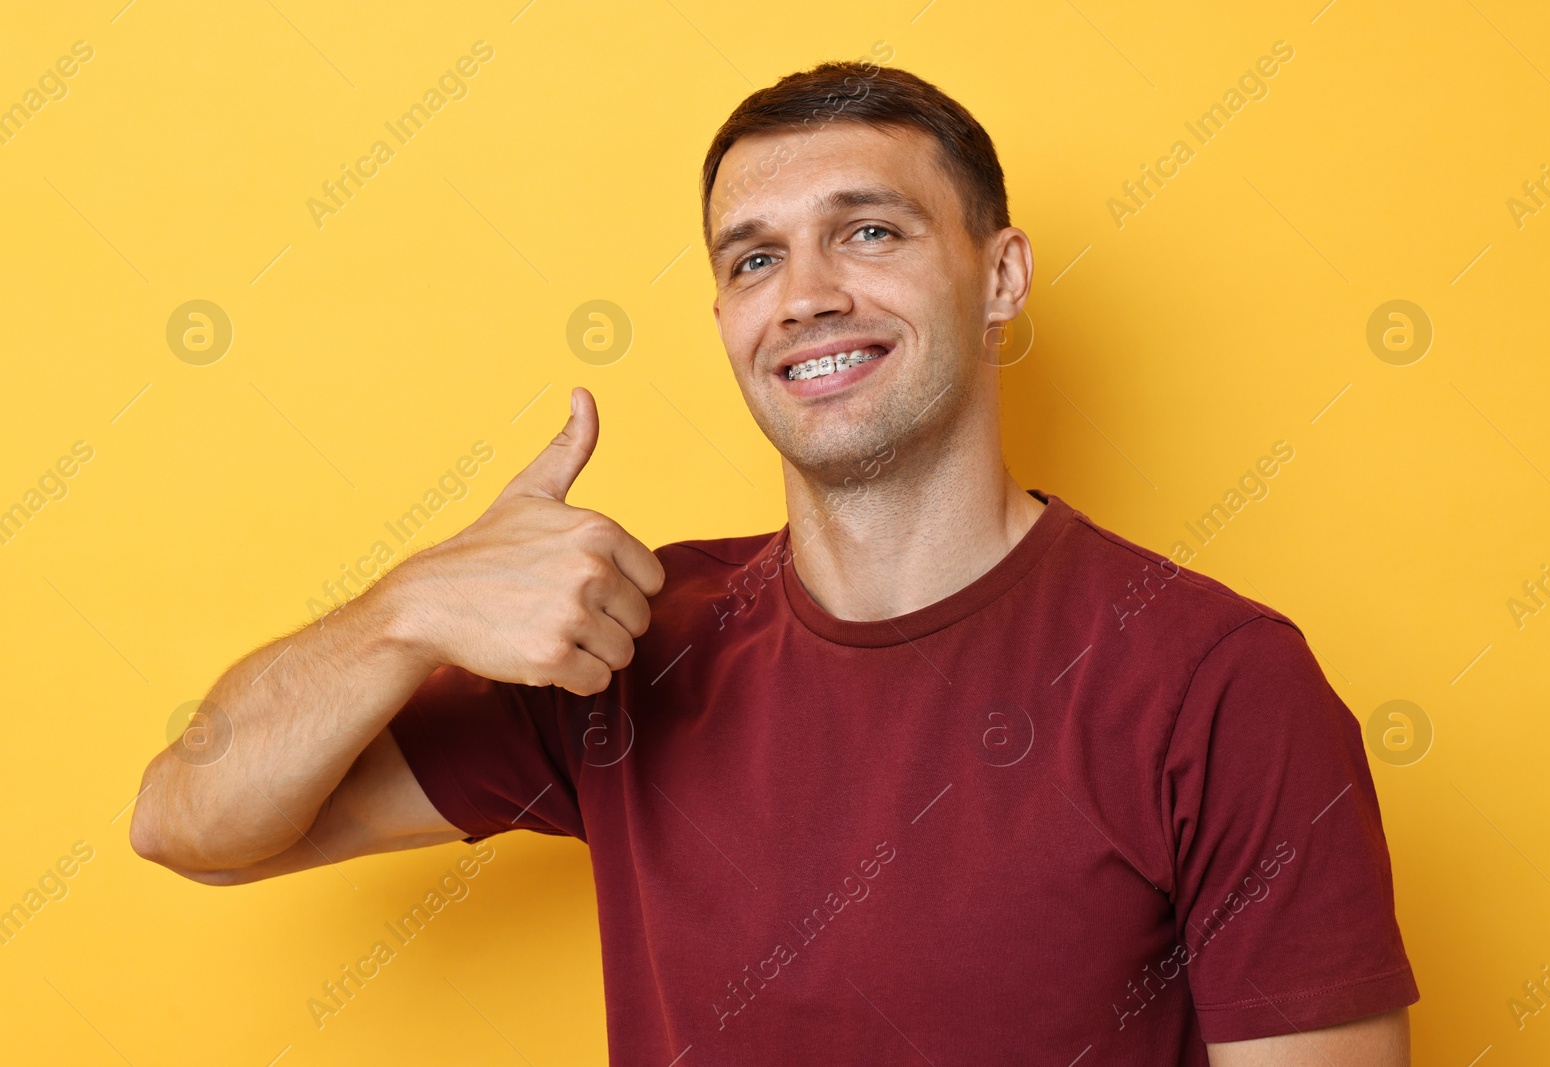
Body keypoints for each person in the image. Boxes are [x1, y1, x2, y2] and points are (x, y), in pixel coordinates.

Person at [131, 60, 1419, 1065]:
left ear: (1002, 277)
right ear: (727, 320)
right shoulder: (624, 646)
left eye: (869, 233)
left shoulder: (1217, 684)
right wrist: (405, 611)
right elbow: (192, 821)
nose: (804, 294)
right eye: (755, 258)